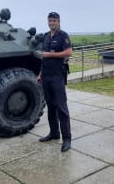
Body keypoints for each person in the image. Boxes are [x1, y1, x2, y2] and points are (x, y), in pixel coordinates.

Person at [37, 12, 73, 152]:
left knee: (61, 107)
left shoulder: (63, 36)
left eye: (54, 21)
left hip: (57, 76)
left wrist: (50, 54)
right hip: (46, 76)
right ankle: (54, 133)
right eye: (50, 20)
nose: (51, 23)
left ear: (58, 21)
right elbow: (44, 58)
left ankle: (67, 139)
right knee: (51, 107)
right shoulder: (46, 36)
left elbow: (69, 52)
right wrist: (40, 74)